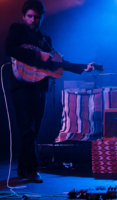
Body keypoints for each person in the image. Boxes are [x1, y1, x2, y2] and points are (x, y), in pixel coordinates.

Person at [4, 0, 95, 183]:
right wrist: (38, 56)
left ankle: (23, 168)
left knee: (34, 130)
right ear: (24, 16)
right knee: (27, 129)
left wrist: (81, 67)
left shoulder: (46, 40)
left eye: (37, 17)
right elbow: (10, 49)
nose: (33, 20)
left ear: (42, 18)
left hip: (40, 86)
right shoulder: (17, 30)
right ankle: (32, 170)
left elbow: (55, 63)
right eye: (29, 16)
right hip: (21, 85)